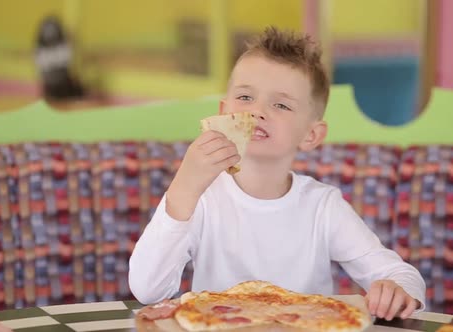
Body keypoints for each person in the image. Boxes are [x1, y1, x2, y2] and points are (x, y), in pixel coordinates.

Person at [129, 26, 426, 321]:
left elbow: (400, 274)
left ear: (311, 135)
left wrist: (398, 291)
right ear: (223, 113)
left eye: (281, 104)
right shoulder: (202, 198)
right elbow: (148, 290)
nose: (257, 111)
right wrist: (184, 188)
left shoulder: (323, 207)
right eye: (245, 98)